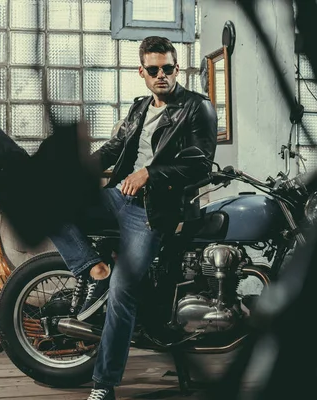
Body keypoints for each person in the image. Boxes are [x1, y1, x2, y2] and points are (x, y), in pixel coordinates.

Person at [49, 36, 217, 400]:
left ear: (177, 68)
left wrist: (151, 174)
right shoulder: (140, 107)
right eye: (154, 69)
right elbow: (115, 147)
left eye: (168, 68)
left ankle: (103, 386)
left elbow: (201, 161)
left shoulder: (197, 107)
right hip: (117, 198)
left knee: (124, 294)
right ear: (141, 72)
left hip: (150, 212)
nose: (162, 75)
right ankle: (94, 269)